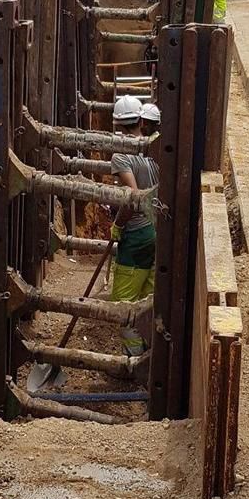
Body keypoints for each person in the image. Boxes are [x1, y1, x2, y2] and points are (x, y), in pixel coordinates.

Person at [109, 95, 159, 356]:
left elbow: (133, 197)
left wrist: (118, 226)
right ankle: (151, 357)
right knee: (147, 299)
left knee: (122, 303)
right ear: (140, 120)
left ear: (117, 124)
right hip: (155, 232)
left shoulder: (121, 156)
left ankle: (134, 360)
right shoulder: (153, 149)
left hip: (137, 234)